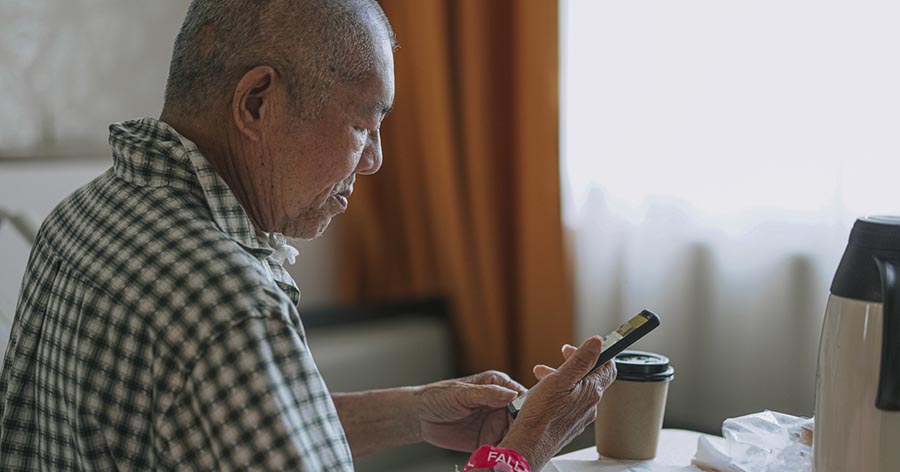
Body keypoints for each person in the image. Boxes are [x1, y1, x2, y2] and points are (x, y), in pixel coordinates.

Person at [0, 0, 616, 470]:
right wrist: (526, 446)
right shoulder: (229, 303)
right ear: (258, 103)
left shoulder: (81, 216)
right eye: (361, 123)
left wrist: (413, 411)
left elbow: (222, 425)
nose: (374, 159)